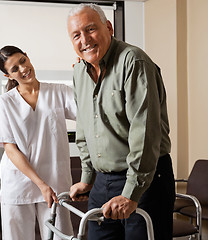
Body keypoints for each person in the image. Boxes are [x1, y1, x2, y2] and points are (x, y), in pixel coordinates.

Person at [67, 4, 175, 240]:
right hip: (103, 181)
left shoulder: (134, 62)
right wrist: (87, 178)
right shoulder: (79, 73)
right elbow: (84, 126)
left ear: (108, 27)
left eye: (91, 29)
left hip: (145, 178)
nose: (84, 39)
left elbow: (144, 134)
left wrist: (131, 193)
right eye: (76, 35)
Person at [0, 45, 76, 239]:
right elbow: (10, 150)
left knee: (60, 236)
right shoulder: (5, 103)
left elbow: (89, 110)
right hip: (19, 183)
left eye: (22, 61)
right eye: (14, 69)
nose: (23, 69)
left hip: (54, 182)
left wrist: (84, 76)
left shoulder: (59, 92)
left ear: (27, 56)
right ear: (8, 76)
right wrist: (41, 184)